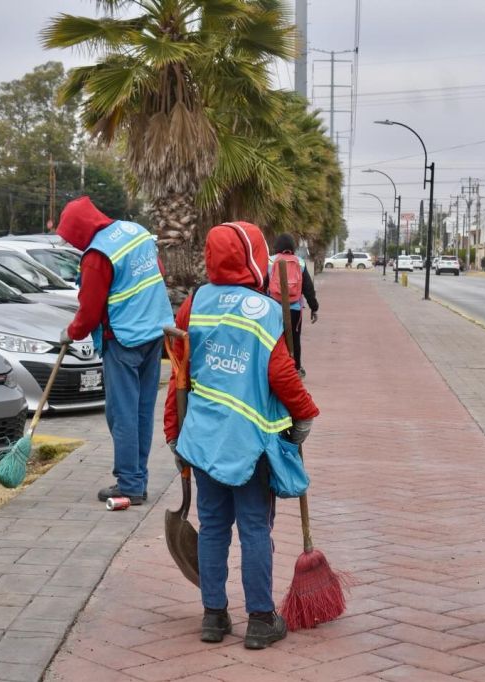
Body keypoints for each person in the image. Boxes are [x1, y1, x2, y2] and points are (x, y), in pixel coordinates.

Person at [164, 221, 319, 650]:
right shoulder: (266, 309)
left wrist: (173, 432)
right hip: (250, 444)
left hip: (203, 438)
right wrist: (304, 413)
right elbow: (281, 374)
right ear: (253, 255)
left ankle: (214, 617)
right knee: (254, 527)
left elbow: (178, 373)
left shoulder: (193, 303)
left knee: (212, 526)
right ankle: (260, 620)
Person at [57, 197, 173, 505]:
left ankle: (130, 483)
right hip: (154, 334)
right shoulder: (135, 231)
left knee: (122, 415)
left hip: (123, 339)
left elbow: (90, 310)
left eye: (71, 237)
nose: (72, 243)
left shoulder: (97, 255)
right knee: (142, 411)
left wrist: (71, 333)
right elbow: (156, 272)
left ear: (79, 229)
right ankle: (139, 478)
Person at [268, 234, 319, 378]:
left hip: (273, 308)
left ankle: (271, 368)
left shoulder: (270, 261)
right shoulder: (300, 263)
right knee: (295, 339)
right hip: (294, 309)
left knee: (273, 339)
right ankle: (296, 368)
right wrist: (314, 308)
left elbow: (263, 285)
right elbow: (308, 289)